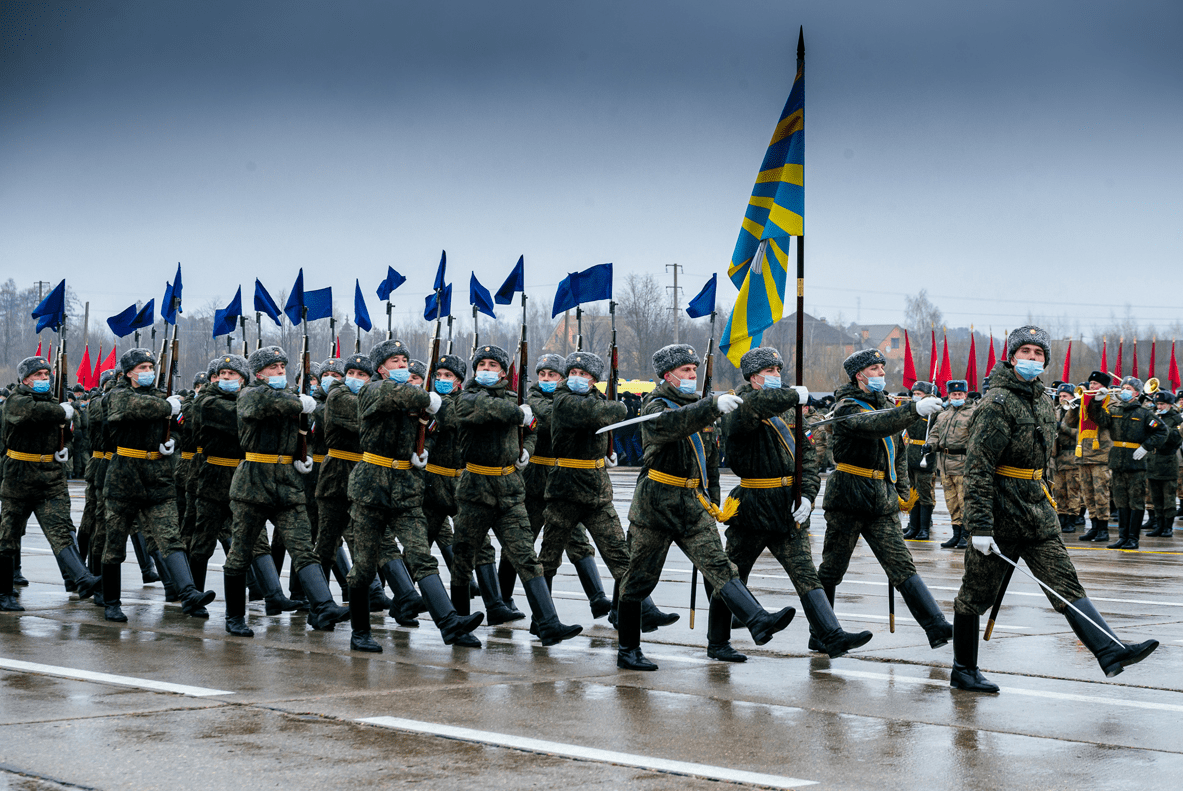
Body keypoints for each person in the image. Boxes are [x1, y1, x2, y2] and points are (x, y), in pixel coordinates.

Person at [950, 326, 1159, 693]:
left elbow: (1055, 447)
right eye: (1025, 351)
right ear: (1011, 356)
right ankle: (963, 669)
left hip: (1036, 510)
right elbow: (978, 467)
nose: (1032, 359)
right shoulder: (997, 402)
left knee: (1065, 583)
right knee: (975, 595)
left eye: (1038, 353)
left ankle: (1110, 651)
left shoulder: (1043, 401)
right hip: (1000, 513)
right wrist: (979, 525)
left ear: (1046, 360)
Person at [616, 344, 795, 671]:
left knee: (720, 567)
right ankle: (628, 648)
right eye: (685, 370)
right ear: (668, 375)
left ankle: (749, 625)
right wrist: (711, 406)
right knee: (640, 578)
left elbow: (710, 461)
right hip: (656, 504)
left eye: (694, 369)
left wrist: (713, 498)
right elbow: (671, 426)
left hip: (693, 504)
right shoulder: (655, 404)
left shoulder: (701, 407)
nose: (692, 375)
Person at [715, 347, 873, 661]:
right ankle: (718, 642)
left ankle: (831, 635)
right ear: (753, 377)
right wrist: (791, 396)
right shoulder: (737, 404)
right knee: (732, 574)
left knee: (805, 571)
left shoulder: (788, 408)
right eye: (770, 371)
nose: (777, 376)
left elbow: (807, 458)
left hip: (787, 505)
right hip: (752, 504)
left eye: (778, 370)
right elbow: (754, 410)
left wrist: (808, 495)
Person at [346, 340, 485, 650]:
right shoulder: (374, 390)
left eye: (405, 361)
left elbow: (452, 418)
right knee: (365, 564)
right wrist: (430, 399)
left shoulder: (416, 398)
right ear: (380, 368)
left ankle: (449, 623)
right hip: (372, 487)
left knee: (422, 556)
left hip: (406, 489)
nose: (401, 366)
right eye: (394, 361)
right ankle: (360, 633)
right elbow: (401, 395)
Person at [816, 348, 953, 650]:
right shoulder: (846, 406)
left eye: (881, 367)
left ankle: (935, 625)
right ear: (858, 375)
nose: (880, 373)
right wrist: (913, 411)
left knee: (901, 564)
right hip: (849, 496)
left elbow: (898, 453)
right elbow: (874, 426)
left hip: (882, 500)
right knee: (833, 568)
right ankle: (821, 633)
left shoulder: (888, 406)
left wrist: (902, 492)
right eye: (874, 369)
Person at [450, 344, 582, 647]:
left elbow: (533, 429)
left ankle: (548, 623)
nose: (486, 370)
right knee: (463, 555)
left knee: (525, 555)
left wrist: (527, 450)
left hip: (509, 489)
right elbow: (485, 411)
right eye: (481, 365)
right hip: (476, 487)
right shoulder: (467, 398)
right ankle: (459, 625)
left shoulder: (514, 400)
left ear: (503, 372)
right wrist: (518, 414)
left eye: (492, 366)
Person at [221, 346, 347, 637]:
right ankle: (235, 616)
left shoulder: (292, 397)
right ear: (259, 373)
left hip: (287, 484)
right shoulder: (250, 394)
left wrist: (301, 454)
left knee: (303, 547)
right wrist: (298, 403)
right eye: (273, 367)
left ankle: (323, 605)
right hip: (254, 481)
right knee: (240, 551)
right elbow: (265, 404)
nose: (280, 371)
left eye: (282, 366)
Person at [102, 349, 215, 623]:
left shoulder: (159, 396)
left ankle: (188, 593)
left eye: (151, 366)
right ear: (128, 373)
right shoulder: (117, 394)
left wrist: (171, 441)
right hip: (124, 477)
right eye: (142, 367)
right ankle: (111, 602)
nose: (148, 371)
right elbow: (126, 409)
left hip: (157, 476)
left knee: (170, 537)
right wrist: (168, 406)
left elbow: (177, 428)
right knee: (115, 542)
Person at [1, 356, 101, 612]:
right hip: (20, 478)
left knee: (60, 528)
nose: (45, 379)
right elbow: (31, 413)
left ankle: (82, 578)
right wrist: (62, 410)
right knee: (9, 536)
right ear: (25, 379)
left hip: (49, 477)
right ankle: (3, 593)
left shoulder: (55, 404)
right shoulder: (16, 401)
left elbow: (65, 434)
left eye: (47, 374)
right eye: (39, 375)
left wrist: (63, 448)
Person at [538, 351, 629, 624]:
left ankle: (633, 611)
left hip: (596, 490)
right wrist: (619, 407)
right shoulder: (563, 398)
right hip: (565, 489)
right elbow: (601, 414)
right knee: (549, 558)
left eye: (583, 374)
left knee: (620, 554)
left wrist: (606, 452)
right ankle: (543, 619)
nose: (576, 378)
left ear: (594, 380)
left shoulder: (597, 398)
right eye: (573, 372)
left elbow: (602, 423)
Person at [1090, 376, 1167, 550]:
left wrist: (1146, 446)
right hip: (1117, 460)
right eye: (1123, 387)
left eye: (1128, 388)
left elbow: (1162, 431)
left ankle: (1133, 538)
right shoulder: (1114, 409)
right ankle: (1122, 537)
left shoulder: (1144, 413)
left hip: (1136, 462)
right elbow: (1100, 420)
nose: (1123, 390)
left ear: (1137, 393)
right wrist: (1097, 402)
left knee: (1136, 502)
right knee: (1120, 501)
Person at [930, 380, 975, 549]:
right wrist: (930, 444)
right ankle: (955, 534)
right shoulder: (943, 415)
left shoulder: (973, 413)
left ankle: (966, 535)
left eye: (960, 394)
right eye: (953, 394)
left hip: (963, 464)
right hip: (945, 464)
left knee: (965, 502)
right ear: (948, 396)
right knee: (951, 502)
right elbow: (935, 433)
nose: (956, 396)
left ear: (965, 395)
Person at [1075, 372, 1115, 543]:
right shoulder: (1085, 401)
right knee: (1087, 494)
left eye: (1096, 384)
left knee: (1100, 494)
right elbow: (1071, 423)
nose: (1092, 387)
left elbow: (1104, 421)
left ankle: (1103, 529)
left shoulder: (1112, 402)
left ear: (1104, 387)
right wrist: (1076, 405)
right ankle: (1093, 526)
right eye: (1091, 383)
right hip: (1083, 454)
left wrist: (1097, 402)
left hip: (1100, 455)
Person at [902, 381, 938, 540]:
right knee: (912, 493)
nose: (915, 397)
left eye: (919, 394)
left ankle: (924, 529)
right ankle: (913, 527)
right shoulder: (912, 411)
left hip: (925, 457)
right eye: (914, 394)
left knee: (924, 494)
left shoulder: (933, 413)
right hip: (910, 455)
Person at [1146, 391, 1181, 537]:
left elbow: (1175, 438)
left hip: (1168, 461)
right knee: (1156, 497)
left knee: (1168, 497)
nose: (1159, 406)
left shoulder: (1177, 419)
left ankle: (1168, 526)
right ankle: (1158, 525)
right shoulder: (1154, 416)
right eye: (1158, 404)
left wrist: (1160, 430)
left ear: (1170, 404)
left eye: (1162, 404)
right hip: (1153, 461)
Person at [1051, 383, 1083, 534]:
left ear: (1072, 396)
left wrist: (1061, 427)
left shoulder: (1077, 411)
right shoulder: (1056, 410)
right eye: (1060, 396)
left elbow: (1079, 433)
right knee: (1059, 490)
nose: (1062, 399)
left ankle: (1072, 519)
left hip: (1072, 457)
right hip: (1058, 457)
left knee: (1073, 490)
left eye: (1065, 396)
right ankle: (1062, 517)